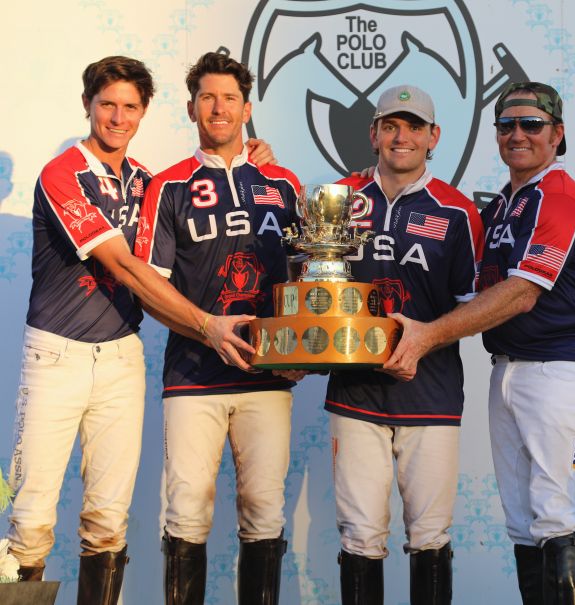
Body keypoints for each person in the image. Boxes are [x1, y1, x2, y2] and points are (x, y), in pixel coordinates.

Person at [5, 55, 274, 605]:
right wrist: (205, 325)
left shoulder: (150, 182)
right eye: (107, 105)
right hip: (57, 355)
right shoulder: (62, 173)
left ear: (145, 111)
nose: (118, 118)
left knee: (107, 519)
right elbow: (126, 266)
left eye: (130, 107)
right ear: (88, 105)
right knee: (31, 519)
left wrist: (256, 160)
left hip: (123, 358)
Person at [385, 82, 575, 604]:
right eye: (507, 125)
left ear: (557, 134)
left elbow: (523, 294)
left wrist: (425, 337)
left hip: (563, 370)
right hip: (507, 369)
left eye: (532, 124)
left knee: (558, 516)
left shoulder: (560, 194)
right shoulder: (504, 204)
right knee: (522, 522)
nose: (518, 134)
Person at [280, 85, 484, 603]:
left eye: (414, 126)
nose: (402, 137)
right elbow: (314, 288)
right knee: (360, 537)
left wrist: (421, 343)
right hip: (357, 393)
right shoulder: (339, 198)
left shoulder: (458, 211)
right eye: (391, 125)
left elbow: (473, 307)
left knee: (429, 537)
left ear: (433, 137)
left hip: (431, 394)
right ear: (373, 133)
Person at [135, 51, 300, 605]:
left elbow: (307, 282)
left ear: (247, 108)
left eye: (230, 97)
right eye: (208, 97)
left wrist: (302, 351)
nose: (219, 107)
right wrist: (206, 329)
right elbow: (149, 288)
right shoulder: (168, 186)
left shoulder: (284, 183)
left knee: (264, 513)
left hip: (268, 376)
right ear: (191, 108)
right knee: (185, 512)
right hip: (192, 376)